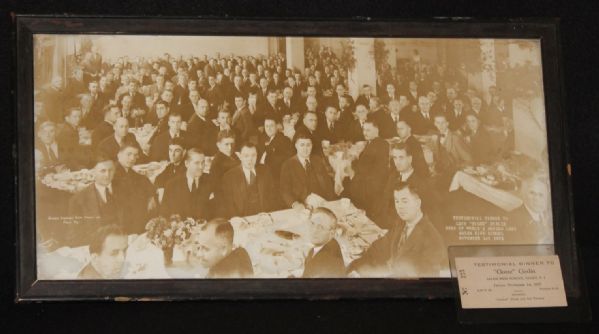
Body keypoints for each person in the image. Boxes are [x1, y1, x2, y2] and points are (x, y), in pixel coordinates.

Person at [348, 182, 448, 278]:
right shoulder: (401, 224)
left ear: (418, 203)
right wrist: (355, 267)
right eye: (397, 201)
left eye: (405, 201)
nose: (400, 207)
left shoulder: (433, 240)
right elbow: (378, 248)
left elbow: (424, 281)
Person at [66, 156, 125, 246]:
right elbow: (75, 235)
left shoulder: (125, 191)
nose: (107, 175)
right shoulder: (78, 200)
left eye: (110, 170)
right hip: (96, 246)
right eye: (103, 171)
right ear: (93, 173)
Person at [279, 133, 336, 209]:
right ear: (296, 146)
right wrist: (295, 204)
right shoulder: (288, 165)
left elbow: (327, 184)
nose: (305, 149)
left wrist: (330, 201)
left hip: (322, 202)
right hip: (301, 205)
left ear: (312, 146)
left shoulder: (317, 160)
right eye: (302, 145)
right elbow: (285, 191)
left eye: (308, 145)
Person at [220, 142, 276, 217]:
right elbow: (228, 204)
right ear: (240, 156)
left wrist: (269, 214)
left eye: (253, 155)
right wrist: (237, 219)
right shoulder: (229, 176)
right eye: (246, 156)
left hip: (263, 216)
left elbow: (272, 195)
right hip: (242, 217)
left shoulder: (265, 170)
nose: (250, 159)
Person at [349, 120, 390, 219]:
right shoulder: (375, 143)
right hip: (370, 183)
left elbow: (363, 168)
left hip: (371, 187)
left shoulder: (378, 144)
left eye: (368, 130)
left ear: (376, 130)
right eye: (364, 130)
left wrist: (352, 165)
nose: (365, 133)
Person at [113, 143, 157, 234]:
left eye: (135, 155)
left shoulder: (128, 170)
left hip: (132, 214)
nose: (132, 158)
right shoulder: (113, 172)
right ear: (119, 155)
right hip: (122, 219)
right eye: (129, 154)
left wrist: (151, 196)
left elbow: (141, 179)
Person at [160, 148, 213, 219]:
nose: (201, 167)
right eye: (196, 163)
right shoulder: (172, 185)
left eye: (203, 162)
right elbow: (164, 214)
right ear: (187, 164)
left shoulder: (211, 181)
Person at [302, 207, 346, 278]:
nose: (314, 230)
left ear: (331, 233)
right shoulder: (333, 242)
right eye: (312, 223)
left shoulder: (320, 265)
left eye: (321, 227)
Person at [509, 177, 553, 244]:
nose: (536, 198)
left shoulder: (544, 215)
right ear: (524, 194)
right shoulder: (513, 218)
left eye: (540, 195)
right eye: (532, 193)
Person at [209, 130, 240, 204]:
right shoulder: (217, 163)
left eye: (232, 144)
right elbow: (217, 190)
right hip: (228, 201)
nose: (230, 148)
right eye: (226, 144)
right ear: (218, 145)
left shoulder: (233, 155)